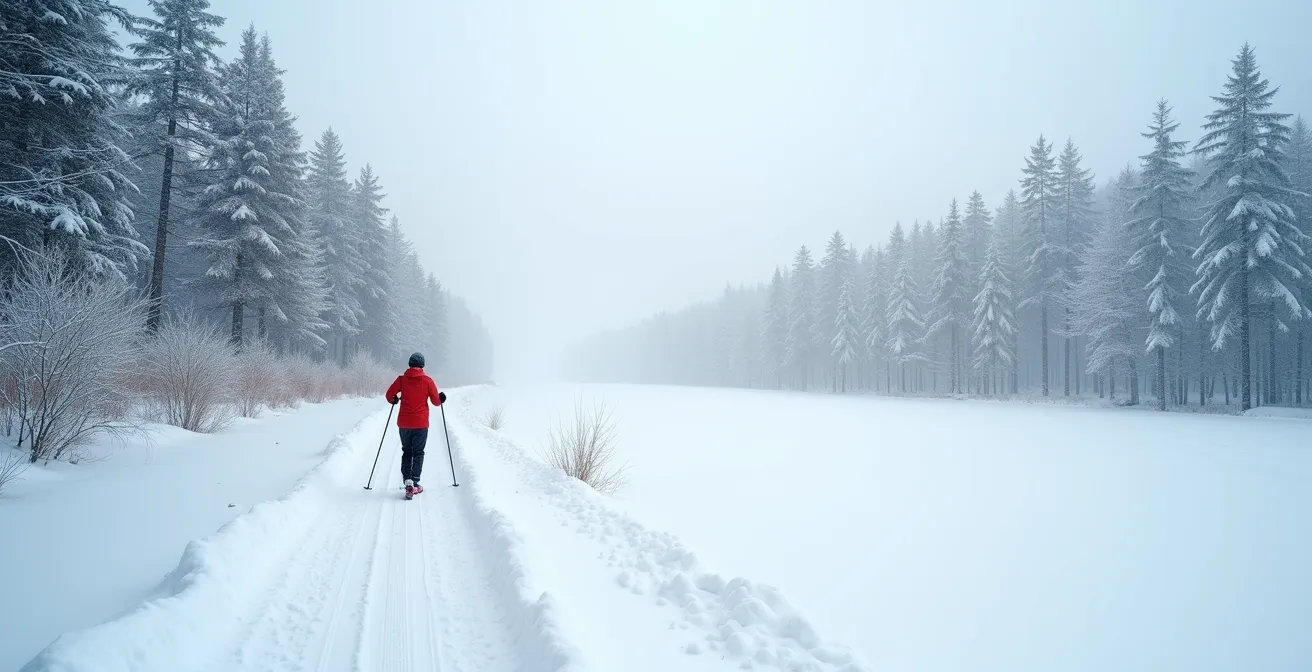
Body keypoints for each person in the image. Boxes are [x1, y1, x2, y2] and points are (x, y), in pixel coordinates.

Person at [385, 352, 446, 497]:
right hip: (421, 424)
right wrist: (441, 398)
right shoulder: (428, 381)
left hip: (404, 424)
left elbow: (389, 395)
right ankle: (415, 482)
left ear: (410, 364)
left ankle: (407, 481)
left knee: (407, 451)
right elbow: (436, 402)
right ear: (422, 365)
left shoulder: (401, 379)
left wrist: (394, 400)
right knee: (418, 452)